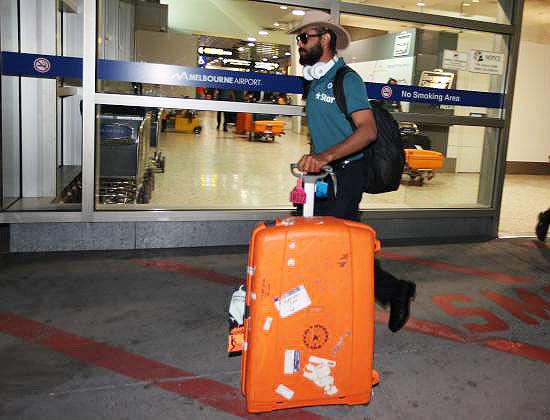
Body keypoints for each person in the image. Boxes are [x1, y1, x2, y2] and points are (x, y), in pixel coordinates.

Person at [290, 11, 416, 333]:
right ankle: (386, 292)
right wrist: (316, 161)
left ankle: (388, 293)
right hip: (322, 179)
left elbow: (367, 131)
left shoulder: (348, 81)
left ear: (326, 39)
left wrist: (325, 156)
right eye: (299, 39)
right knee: (324, 245)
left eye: (305, 38)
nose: (300, 44)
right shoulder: (316, 81)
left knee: (335, 248)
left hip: (346, 176)